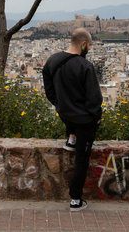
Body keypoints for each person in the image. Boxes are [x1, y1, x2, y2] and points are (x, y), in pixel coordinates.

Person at [43, 28, 102, 212]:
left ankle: (71, 137)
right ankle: (75, 199)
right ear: (83, 44)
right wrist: (97, 116)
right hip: (84, 120)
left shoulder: (52, 60)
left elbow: (49, 89)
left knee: (72, 123)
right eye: (89, 46)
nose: (89, 49)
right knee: (82, 160)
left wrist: (58, 104)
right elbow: (94, 98)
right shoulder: (85, 66)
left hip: (66, 115)